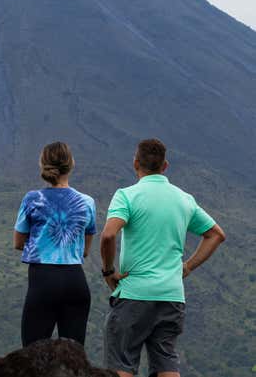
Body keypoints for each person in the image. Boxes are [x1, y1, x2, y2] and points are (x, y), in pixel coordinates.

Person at [100, 138, 226, 377]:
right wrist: (187, 267)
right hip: (171, 295)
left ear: (135, 163)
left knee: (121, 366)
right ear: (165, 166)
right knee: (166, 365)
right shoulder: (184, 199)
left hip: (134, 294)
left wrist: (108, 271)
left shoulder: (127, 196)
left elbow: (108, 236)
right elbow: (216, 235)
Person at [14, 142, 97, 347]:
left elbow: (18, 242)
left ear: (43, 165)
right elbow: (85, 250)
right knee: (73, 358)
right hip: (75, 281)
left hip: (42, 280)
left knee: (33, 355)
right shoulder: (87, 202)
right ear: (71, 164)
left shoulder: (33, 199)